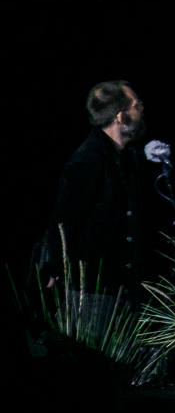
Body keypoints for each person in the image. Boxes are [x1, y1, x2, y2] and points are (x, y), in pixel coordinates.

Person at [40, 81, 154, 304]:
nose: (142, 109)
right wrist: (53, 267)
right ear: (120, 117)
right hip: (94, 294)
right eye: (136, 105)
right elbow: (62, 221)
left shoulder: (126, 158)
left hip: (122, 291)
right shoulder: (88, 160)